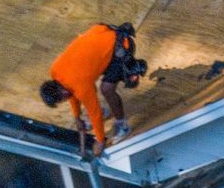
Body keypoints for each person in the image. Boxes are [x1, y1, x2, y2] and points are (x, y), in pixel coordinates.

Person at [38, 23, 146, 155]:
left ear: (61, 92)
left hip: (120, 47)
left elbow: (94, 113)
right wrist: (77, 117)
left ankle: (122, 125)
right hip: (104, 36)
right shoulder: (55, 71)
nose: (65, 100)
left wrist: (100, 141)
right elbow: (71, 93)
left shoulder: (79, 86)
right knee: (89, 90)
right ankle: (107, 112)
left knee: (107, 89)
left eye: (62, 100)